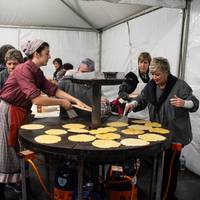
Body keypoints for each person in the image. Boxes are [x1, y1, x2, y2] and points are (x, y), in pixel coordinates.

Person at [0, 39, 90, 198]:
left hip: (20, 110)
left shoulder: (36, 72)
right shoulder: (23, 70)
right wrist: (63, 103)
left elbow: (53, 90)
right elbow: (37, 100)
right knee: (8, 152)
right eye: (47, 53)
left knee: (18, 150)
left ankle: (23, 185)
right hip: (9, 111)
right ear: (36, 54)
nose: (50, 57)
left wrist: (76, 100)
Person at [125, 57, 199, 200]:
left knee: (169, 169)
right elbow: (142, 98)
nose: (154, 77)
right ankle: (154, 192)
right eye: (152, 74)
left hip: (175, 135)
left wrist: (184, 103)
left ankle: (166, 195)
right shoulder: (152, 85)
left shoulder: (180, 86)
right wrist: (133, 104)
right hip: (157, 134)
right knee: (157, 165)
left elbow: (195, 104)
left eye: (157, 74)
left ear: (166, 72)